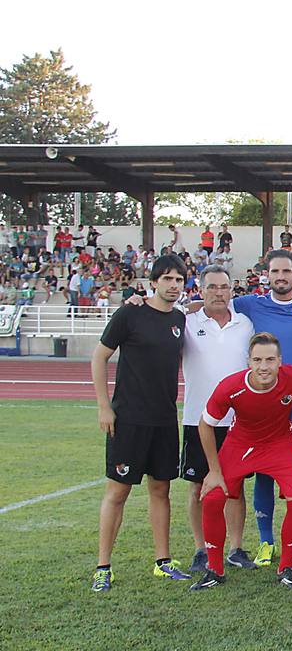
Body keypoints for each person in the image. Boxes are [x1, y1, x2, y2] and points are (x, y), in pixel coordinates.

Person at [90, 254, 191, 592]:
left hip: (164, 419)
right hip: (129, 419)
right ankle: (103, 566)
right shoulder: (130, 313)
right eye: (168, 279)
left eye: (179, 280)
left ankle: (163, 561)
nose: (174, 285)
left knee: (161, 490)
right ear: (154, 282)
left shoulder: (180, 319)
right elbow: (99, 356)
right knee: (118, 491)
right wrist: (104, 406)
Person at [191, 333, 292, 590]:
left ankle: (287, 567)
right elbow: (205, 425)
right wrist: (214, 471)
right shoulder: (231, 386)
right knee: (214, 496)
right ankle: (214, 570)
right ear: (248, 362)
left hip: (279, 444)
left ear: (280, 361)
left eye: (270, 360)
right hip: (241, 445)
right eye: (258, 360)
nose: (264, 366)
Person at [180, 265, 254, 575]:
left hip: (237, 421)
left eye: (224, 287)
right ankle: (201, 549)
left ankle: (236, 548)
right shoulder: (186, 323)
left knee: (234, 488)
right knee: (199, 486)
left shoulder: (245, 324)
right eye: (212, 287)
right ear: (201, 289)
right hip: (199, 419)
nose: (218, 292)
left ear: (232, 290)